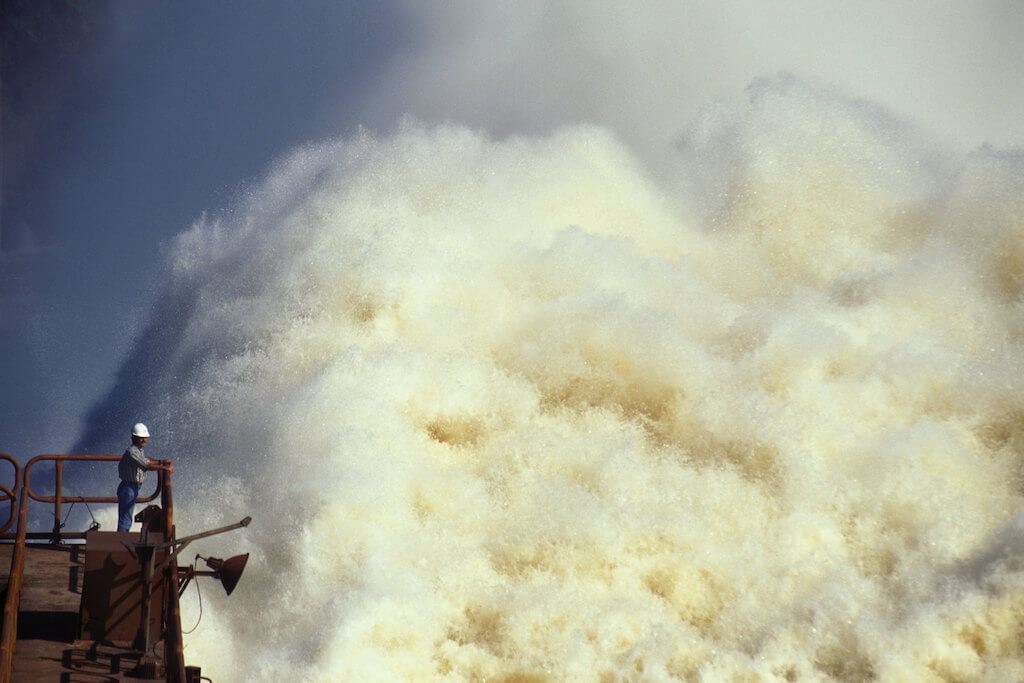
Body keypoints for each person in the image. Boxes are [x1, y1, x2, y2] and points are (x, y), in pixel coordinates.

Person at [116, 422, 173, 532]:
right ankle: (121, 540)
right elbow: (146, 465)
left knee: (127, 516)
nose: (144, 440)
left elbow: (146, 460)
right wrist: (164, 468)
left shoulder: (138, 451)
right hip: (128, 488)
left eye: (145, 438)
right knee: (126, 518)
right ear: (133, 438)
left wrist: (161, 462)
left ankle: (122, 538)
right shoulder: (132, 452)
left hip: (132, 487)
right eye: (141, 438)